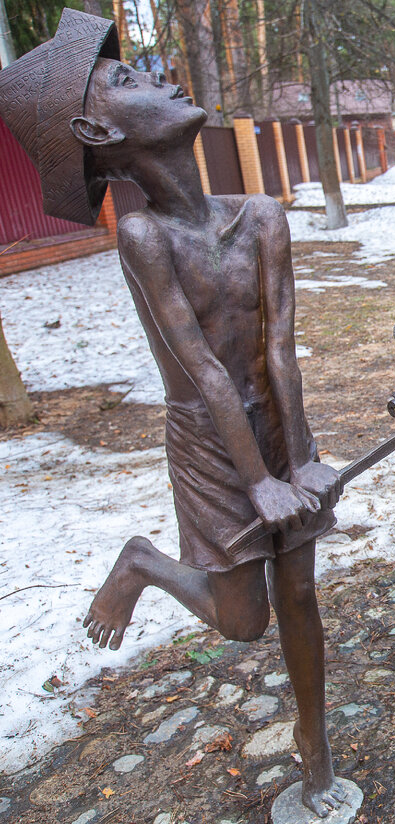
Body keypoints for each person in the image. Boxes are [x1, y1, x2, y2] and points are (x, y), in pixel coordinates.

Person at [0, 11, 348, 817]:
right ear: (97, 127)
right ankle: (145, 563)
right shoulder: (144, 237)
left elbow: (282, 349)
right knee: (242, 621)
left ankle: (316, 754)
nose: (158, 74)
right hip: (208, 443)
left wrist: (297, 462)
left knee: (300, 593)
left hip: (274, 421)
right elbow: (200, 369)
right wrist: (258, 482)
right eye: (126, 80)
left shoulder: (262, 215)